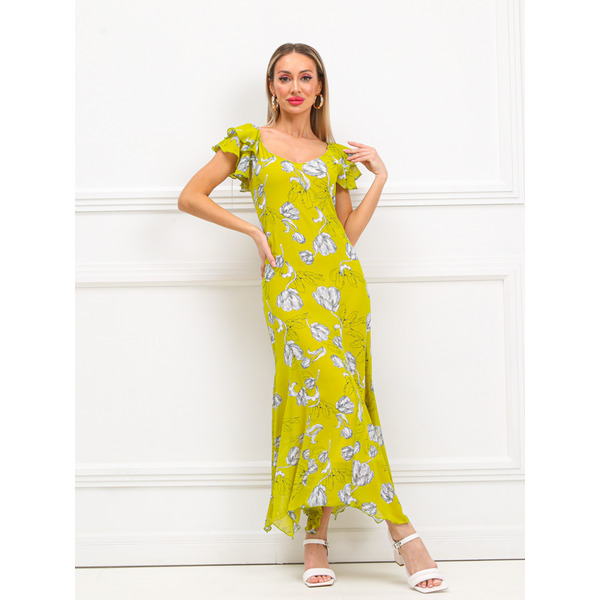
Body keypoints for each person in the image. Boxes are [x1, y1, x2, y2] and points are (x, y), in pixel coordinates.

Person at [178, 42, 448, 593]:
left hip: (343, 290)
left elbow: (345, 237)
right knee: (328, 391)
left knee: (335, 400)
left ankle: (315, 539)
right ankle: (403, 531)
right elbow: (190, 196)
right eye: (284, 77)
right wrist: (254, 231)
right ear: (271, 86)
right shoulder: (248, 141)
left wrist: (379, 179)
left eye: (306, 77)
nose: (295, 87)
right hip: (288, 291)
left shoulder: (334, 156)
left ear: (320, 87)